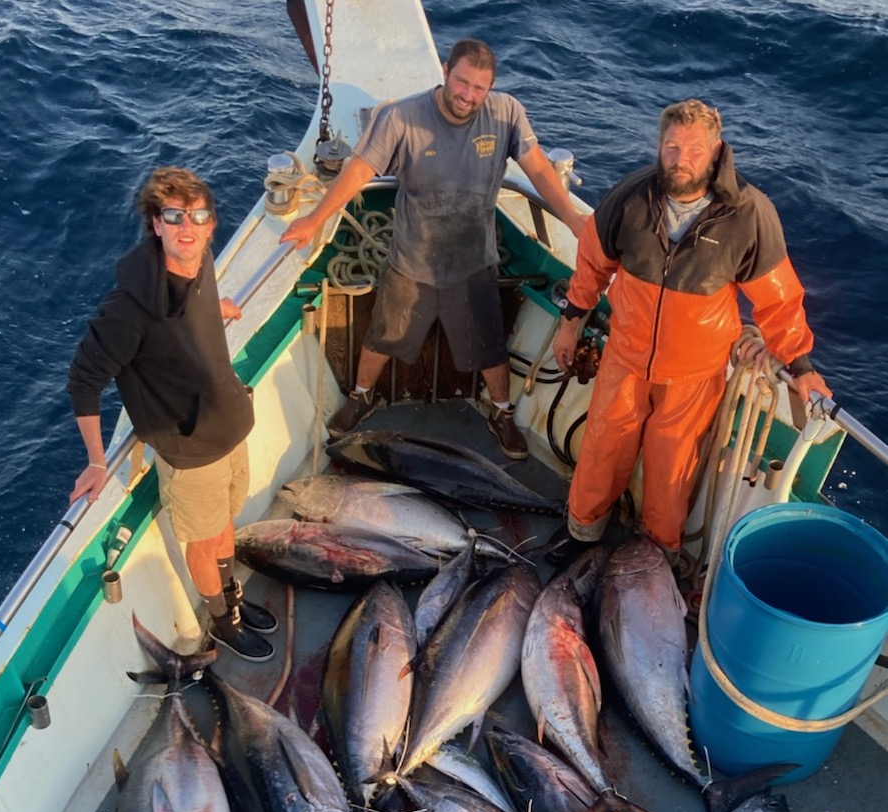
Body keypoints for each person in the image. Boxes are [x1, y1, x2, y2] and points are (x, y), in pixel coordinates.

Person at [281, 38, 587, 460]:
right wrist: (315, 218)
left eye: (480, 88)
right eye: (461, 82)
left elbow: (536, 168)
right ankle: (362, 395)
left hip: (474, 258)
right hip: (412, 258)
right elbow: (359, 170)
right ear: (445, 71)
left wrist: (574, 220)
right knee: (382, 336)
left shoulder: (506, 113)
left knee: (489, 343)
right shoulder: (401, 117)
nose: (468, 95)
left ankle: (501, 412)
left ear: (491, 87)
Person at [552, 98, 831, 557]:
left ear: (716, 150)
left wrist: (801, 368)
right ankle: (582, 533)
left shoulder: (747, 214)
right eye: (671, 148)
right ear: (659, 146)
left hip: (693, 377)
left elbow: (779, 302)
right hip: (625, 357)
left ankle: (657, 557)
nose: (680, 161)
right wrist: (569, 324)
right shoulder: (630, 197)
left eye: (694, 150)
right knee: (601, 453)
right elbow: (591, 267)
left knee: (671, 473)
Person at [67, 166, 277, 663]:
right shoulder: (129, 308)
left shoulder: (200, 263)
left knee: (226, 519)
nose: (188, 226)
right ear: (156, 223)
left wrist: (215, 308)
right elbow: (83, 381)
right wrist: (98, 462)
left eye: (198, 216)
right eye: (175, 215)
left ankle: (233, 594)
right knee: (203, 541)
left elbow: (191, 314)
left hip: (229, 423)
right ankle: (223, 621)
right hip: (189, 447)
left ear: (211, 226)